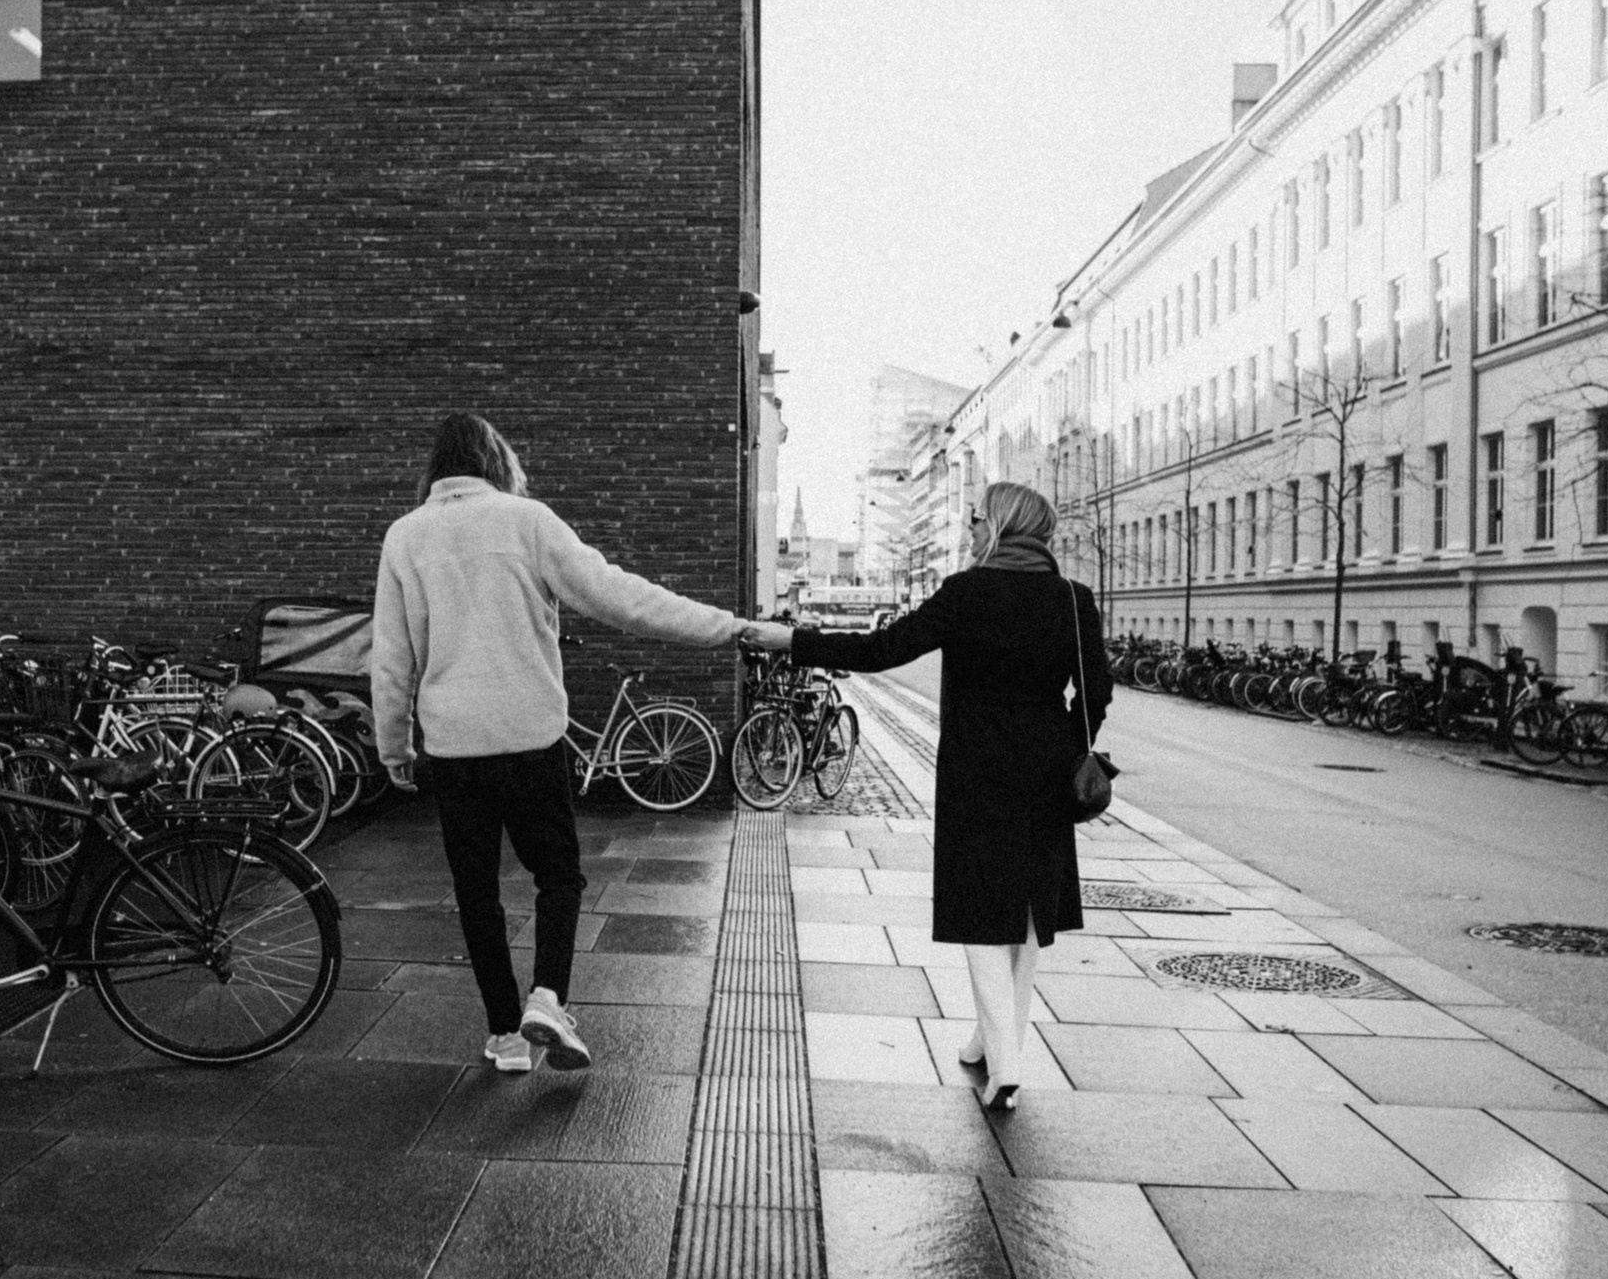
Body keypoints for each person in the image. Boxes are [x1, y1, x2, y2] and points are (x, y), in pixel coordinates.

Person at [372, 413, 768, 1075]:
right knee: (558, 876)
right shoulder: (529, 521)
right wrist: (729, 629)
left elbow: (391, 656)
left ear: (435, 470)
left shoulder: (406, 536)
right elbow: (621, 597)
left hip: (453, 746)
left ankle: (504, 1036)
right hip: (531, 738)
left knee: (478, 894)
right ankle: (549, 997)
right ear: (497, 461)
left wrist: (394, 746)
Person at [744, 482, 1110, 1106]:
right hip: (1048, 773)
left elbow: (882, 649)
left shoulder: (967, 593)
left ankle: (1006, 1062)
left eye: (975, 518)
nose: (968, 528)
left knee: (979, 906)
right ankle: (993, 1042)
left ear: (998, 525)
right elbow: (1096, 692)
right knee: (1026, 910)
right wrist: (1067, 743)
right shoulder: (1073, 601)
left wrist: (794, 642)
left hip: (977, 768)